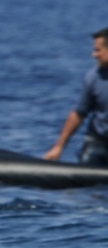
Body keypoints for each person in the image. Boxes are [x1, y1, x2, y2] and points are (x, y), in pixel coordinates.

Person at [45, 27, 108, 165]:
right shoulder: (93, 77)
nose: (94, 55)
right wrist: (59, 147)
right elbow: (79, 114)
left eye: (98, 50)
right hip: (99, 142)